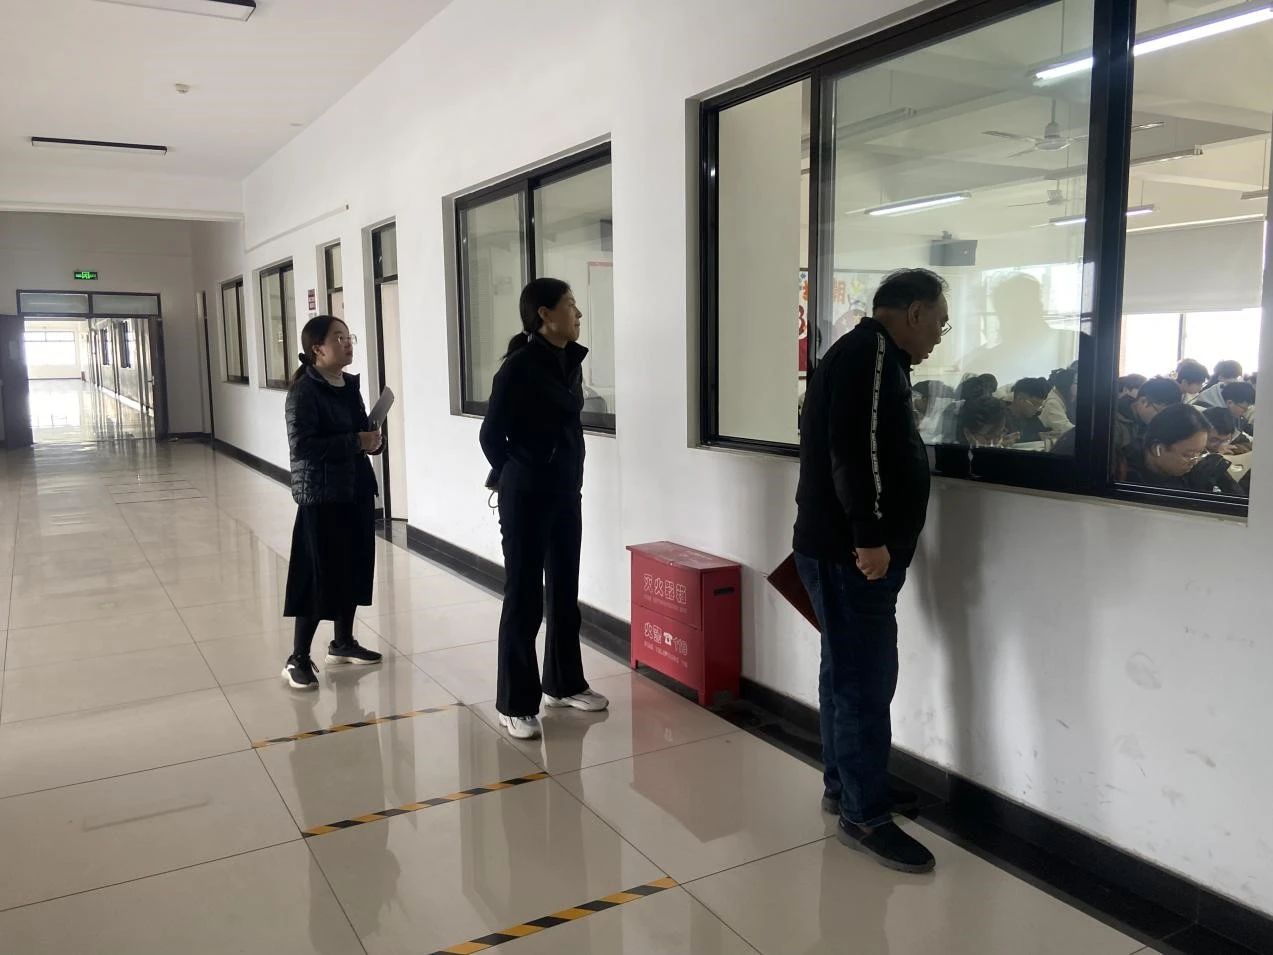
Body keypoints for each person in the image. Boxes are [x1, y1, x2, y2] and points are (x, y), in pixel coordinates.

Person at [793, 267, 948, 874]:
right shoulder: (871, 354)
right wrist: (870, 535)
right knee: (864, 680)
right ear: (913, 313)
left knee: (845, 671)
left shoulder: (865, 353)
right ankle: (864, 814)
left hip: (839, 550)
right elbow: (856, 451)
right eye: (938, 323)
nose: (938, 337)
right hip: (852, 554)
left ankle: (848, 786)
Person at [479, 277, 609, 741]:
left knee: (564, 590)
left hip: (565, 492)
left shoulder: (567, 361)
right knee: (524, 596)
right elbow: (490, 435)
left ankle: (563, 683)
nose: (578, 313)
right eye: (570, 305)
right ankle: (514, 703)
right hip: (526, 497)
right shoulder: (518, 367)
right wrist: (519, 469)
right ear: (545, 315)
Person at [281, 316, 385, 690]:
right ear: (317, 349)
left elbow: (360, 434)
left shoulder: (347, 386)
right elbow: (303, 447)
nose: (347, 343)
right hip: (322, 496)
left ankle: (342, 643)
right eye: (338, 338)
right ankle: (297, 657)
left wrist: (373, 441)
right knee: (318, 574)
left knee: (353, 567)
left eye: (348, 336)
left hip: (355, 489)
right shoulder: (303, 392)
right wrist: (356, 442)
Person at [1121, 403, 1242, 495]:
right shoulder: (1123, 474)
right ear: (1157, 449)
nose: (1195, 461)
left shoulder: (1195, 466)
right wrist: (1196, 489)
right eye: (1188, 455)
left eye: (1200, 452)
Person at [1003, 377, 1050, 443]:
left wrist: (1049, 435)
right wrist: (1038, 437)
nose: (1037, 409)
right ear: (1020, 398)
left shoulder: (1033, 418)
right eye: (1035, 404)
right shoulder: (1000, 417)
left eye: (1040, 405)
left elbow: (1042, 433)